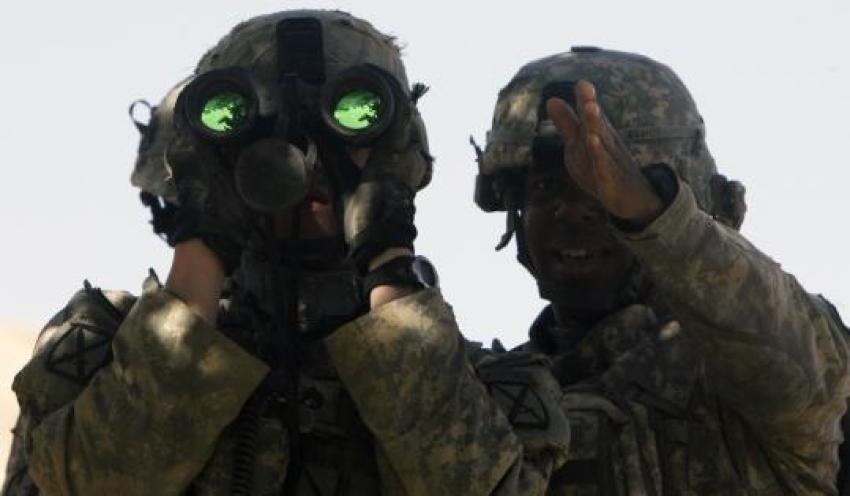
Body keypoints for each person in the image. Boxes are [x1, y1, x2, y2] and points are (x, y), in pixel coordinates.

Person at [3, 11, 570, 495]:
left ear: (401, 152)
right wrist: (206, 230)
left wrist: (385, 247)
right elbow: (100, 479)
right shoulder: (101, 351)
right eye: (264, 134)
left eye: (349, 131)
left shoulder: (485, 386)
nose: (309, 162)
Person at [472, 46, 850, 494]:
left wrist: (654, 217)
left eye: (600, 186)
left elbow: (794, 357)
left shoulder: (740, 371)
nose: (572, 211)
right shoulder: (492, 402)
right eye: (544, 186)